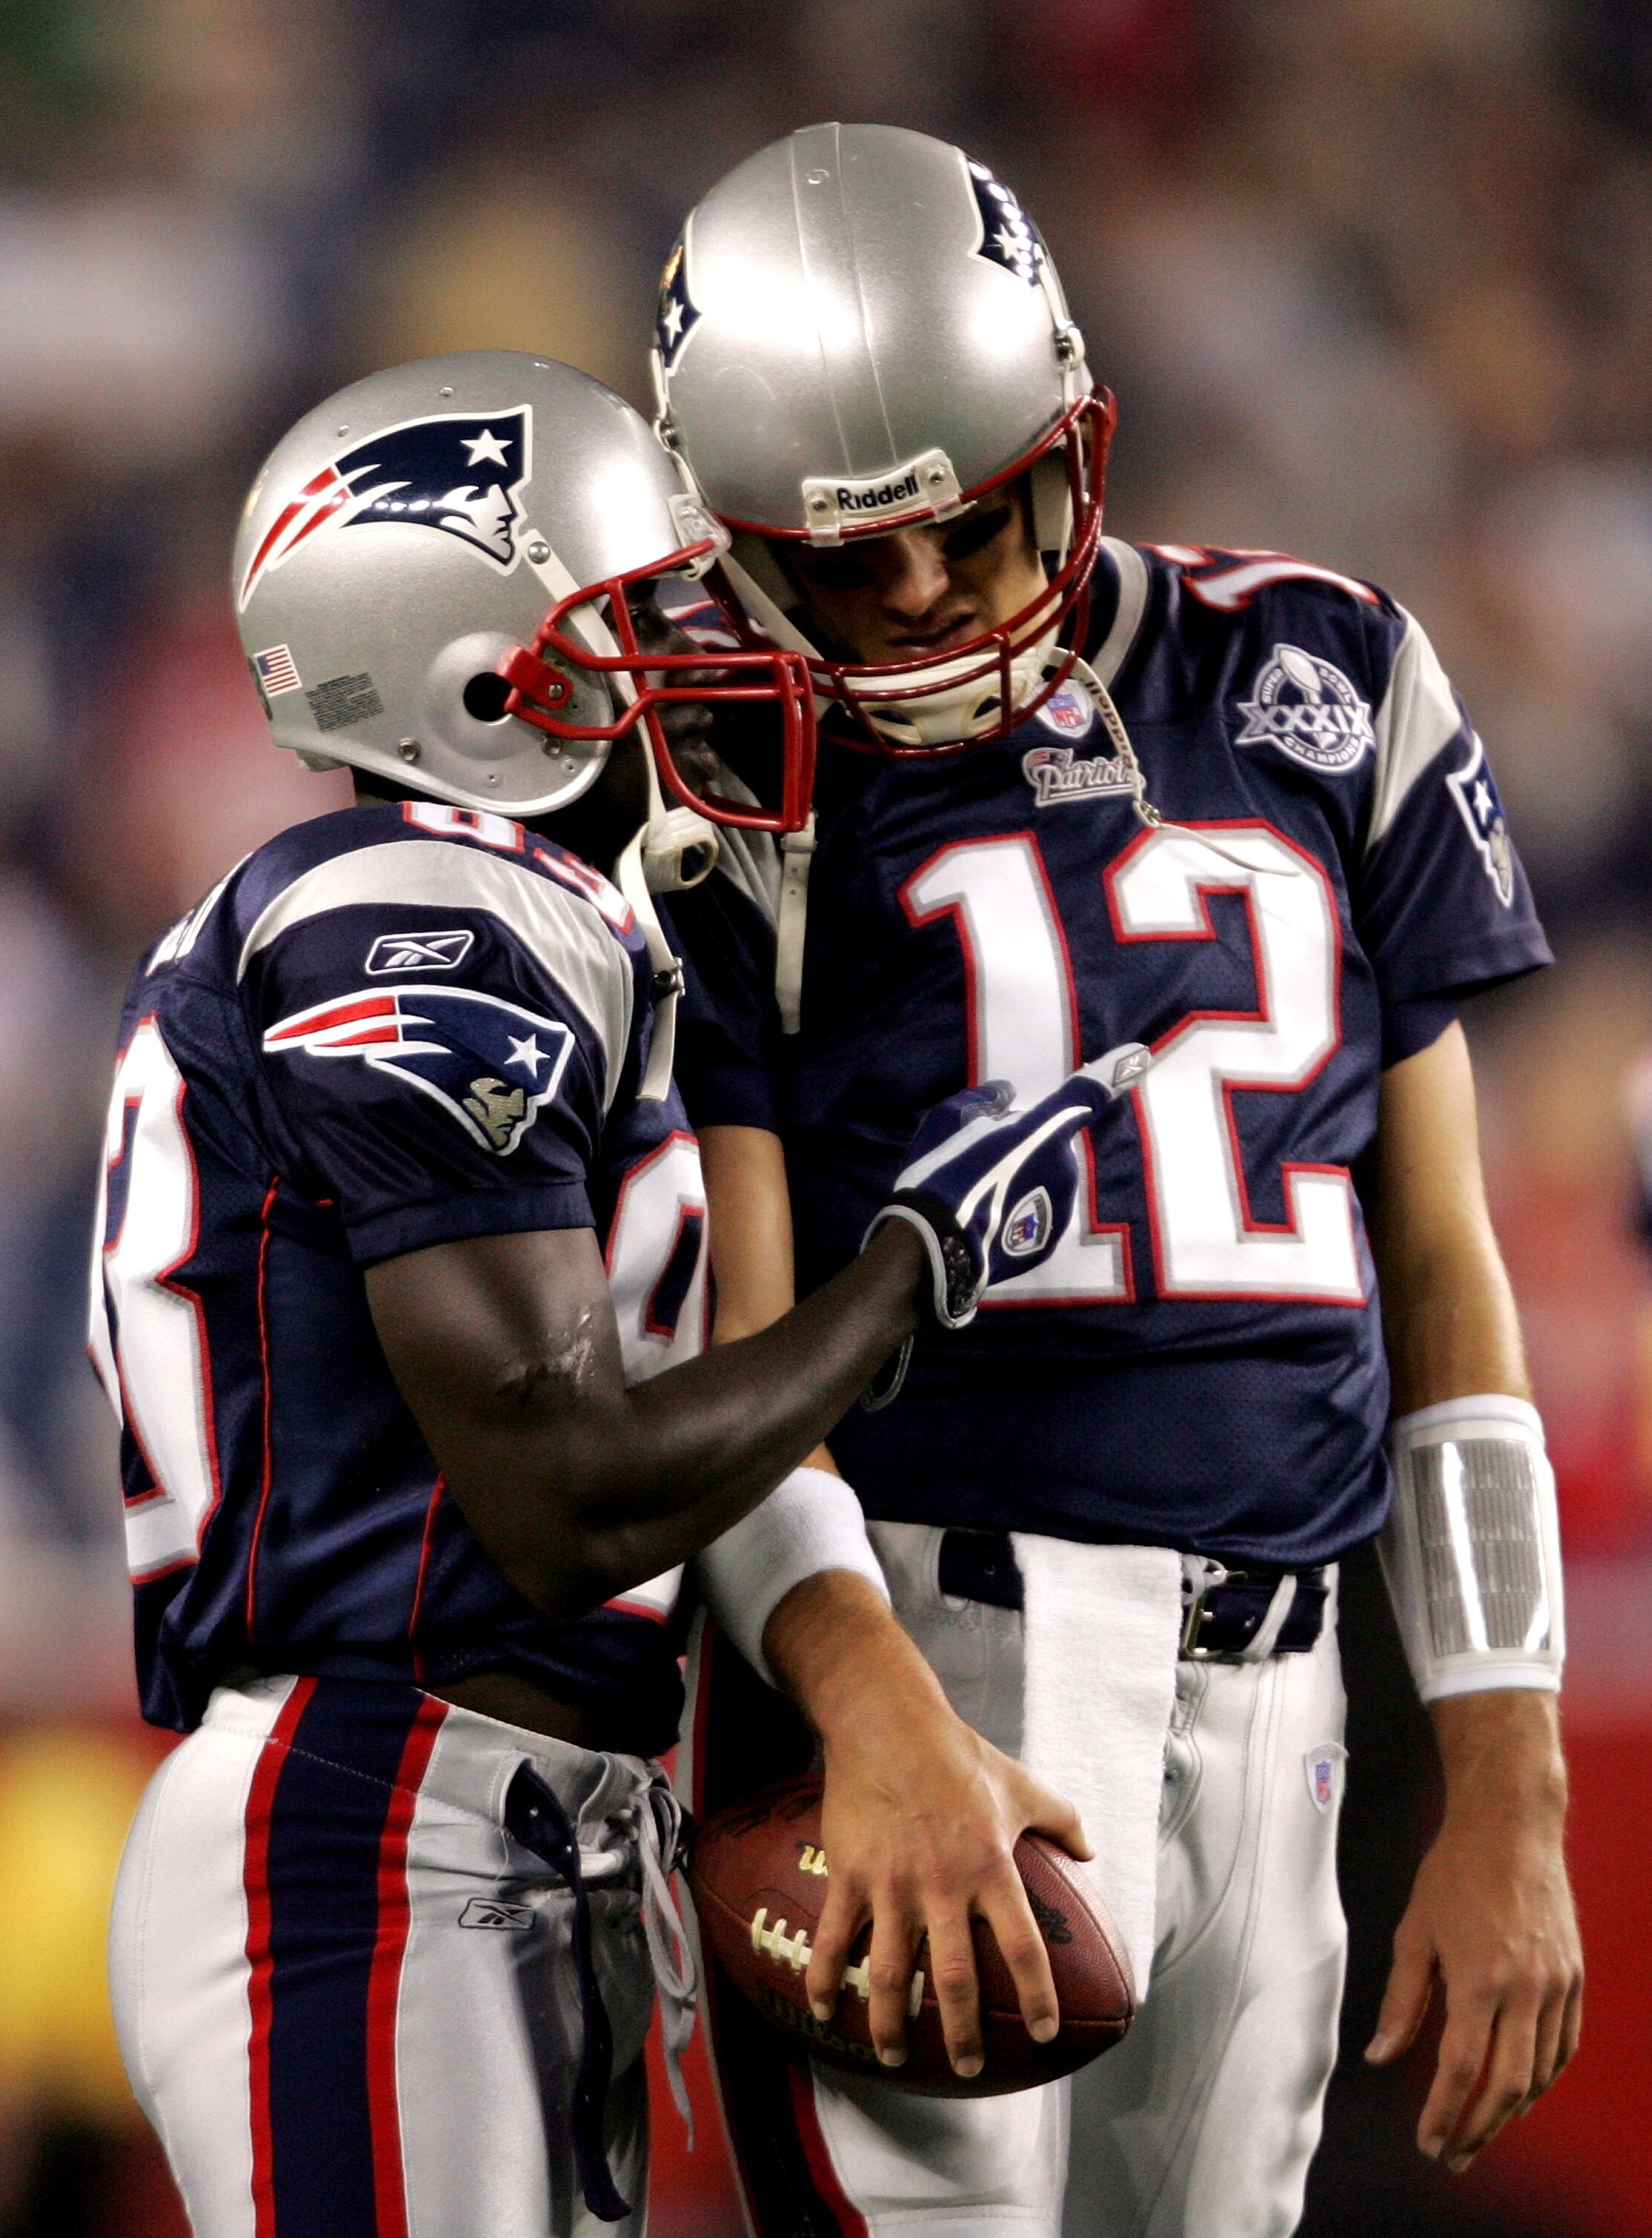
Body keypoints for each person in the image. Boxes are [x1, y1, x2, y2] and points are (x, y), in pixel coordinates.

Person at [87, 348, 1140, 2236]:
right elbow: (563, 1492)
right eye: (636, 613)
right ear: (480, 680)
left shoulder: (540, 915)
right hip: (374, 1821)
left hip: (499, 1818)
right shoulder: (403, 909)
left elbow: (639, 1444)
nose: (702, 647)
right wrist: (909, 1270)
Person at [651, 125, 1583, 2238]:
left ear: (1070, 429)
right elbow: (733, 1344)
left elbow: (1436, 1262)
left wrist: (1507, 1772)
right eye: (833, 557)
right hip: (922, 1630)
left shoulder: (1322, 674)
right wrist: (866, 1707)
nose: (908, 600)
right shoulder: (720, 787)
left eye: (963, 529)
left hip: (1284, 1685)